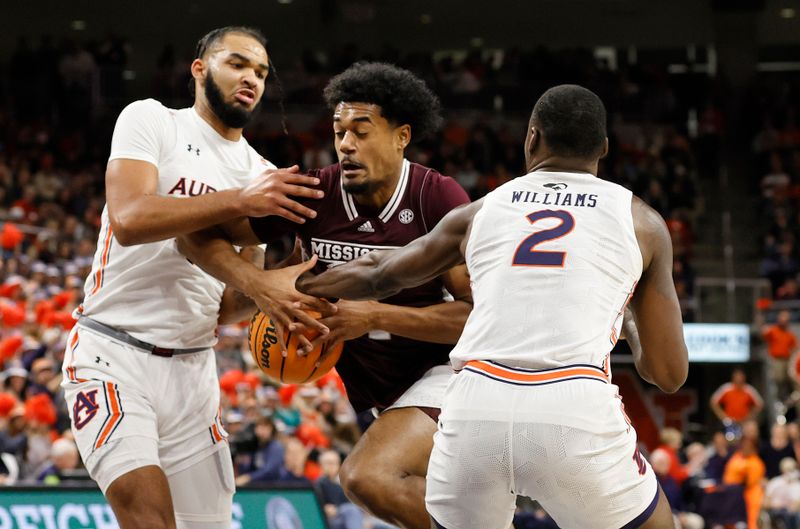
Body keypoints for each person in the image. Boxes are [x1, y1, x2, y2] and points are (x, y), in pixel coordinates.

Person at [297, 84, 689, 528]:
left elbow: (380, 273)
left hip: (474, 405)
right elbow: (668, 374)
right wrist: (630, 309)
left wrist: (301, 285)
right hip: (572, 406)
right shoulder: (642, 222)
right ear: (602, 148)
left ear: (531, 138)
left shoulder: (483, 209)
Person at [179, 62, 471, 529]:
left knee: (367, 478)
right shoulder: (312, 194)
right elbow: (192, 236)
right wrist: (260, 283)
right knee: (449, 508)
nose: (346, 144)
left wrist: (375, 316)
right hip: (384, 398)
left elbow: (476, 317)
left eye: (362, 130)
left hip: (453, 376)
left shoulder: (435, 198)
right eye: (339, 132)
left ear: (401, 136)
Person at [61, 26, 330, 529]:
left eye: (261, 72)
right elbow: (130, 218)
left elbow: (230, 303)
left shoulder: (261, 172)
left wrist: (280, 289)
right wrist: (239, 202)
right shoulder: (153, 120)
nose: (251, 77)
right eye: (238, 64)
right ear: (199, 67)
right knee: (148, 519)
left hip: (193, 372)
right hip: (112, 353)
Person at [763, 310, 797, 401]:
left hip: (787, 360)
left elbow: (795, 348)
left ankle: (789, 394)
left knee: (792, 377)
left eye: (786, 319)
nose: (783, 321)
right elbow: (763, 336)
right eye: (782, 318)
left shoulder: (790, 334)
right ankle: (780, 396)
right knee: (778, 378)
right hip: (776, 359)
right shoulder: (773, 331)